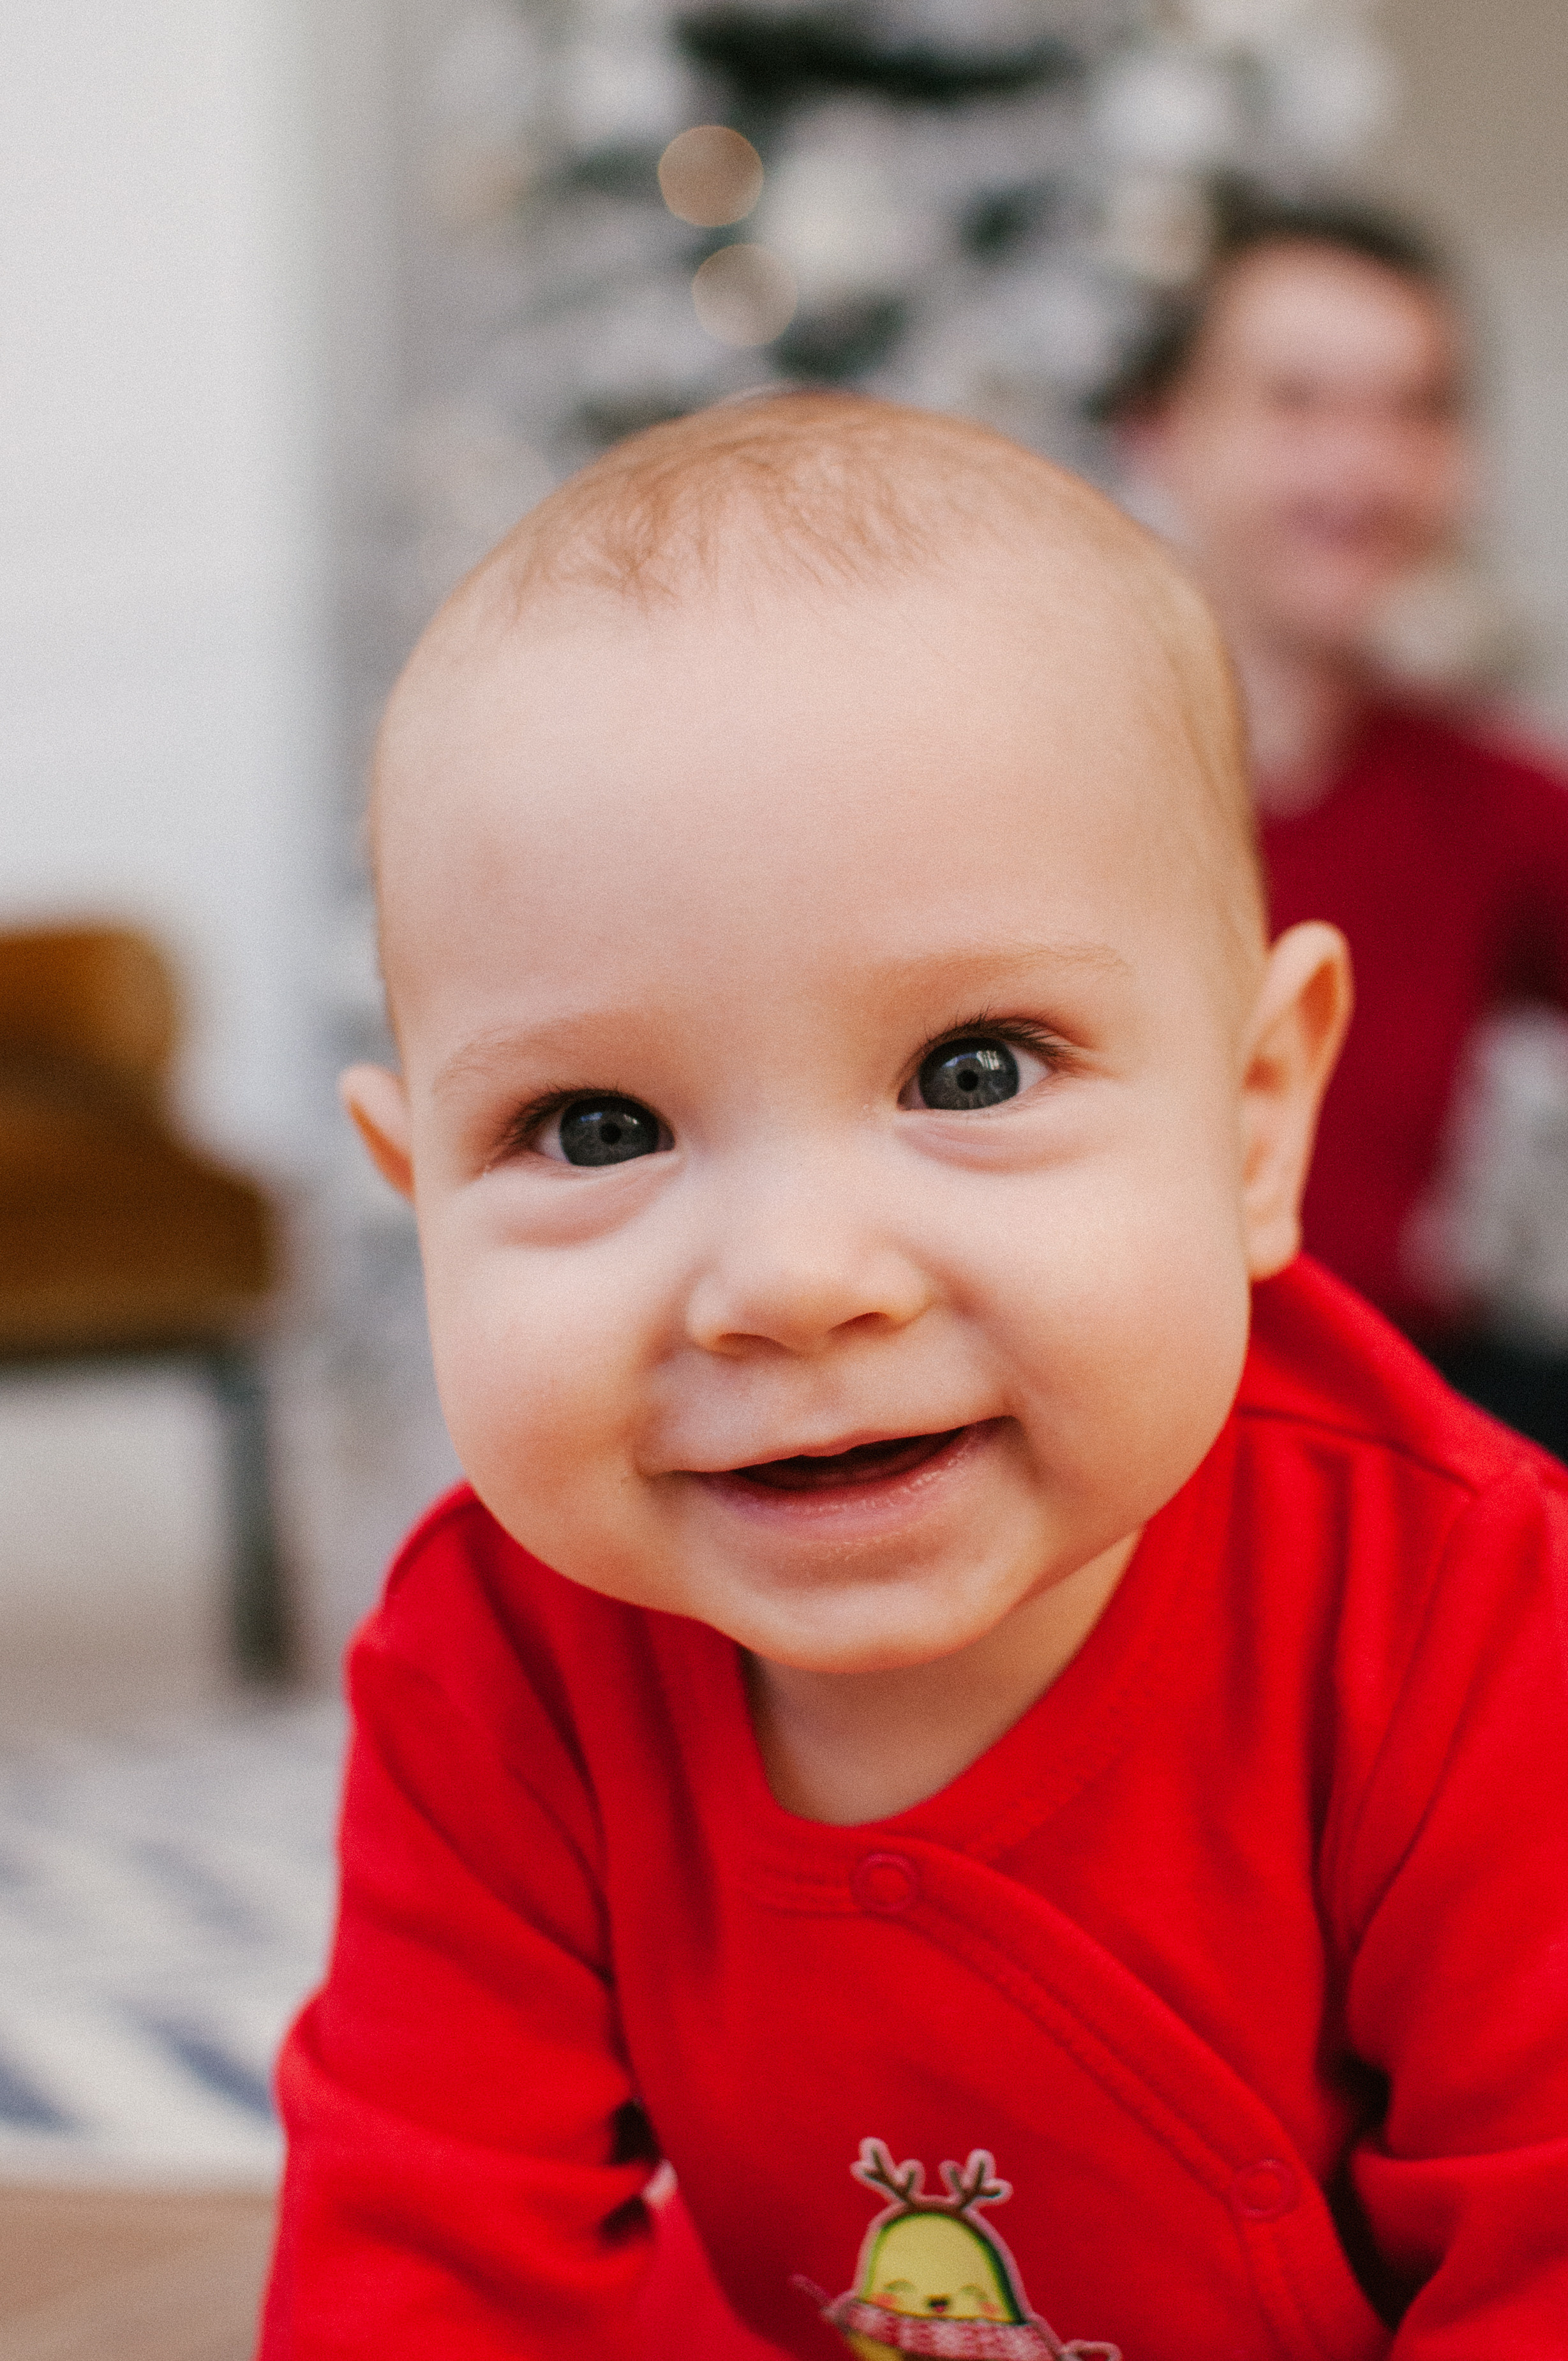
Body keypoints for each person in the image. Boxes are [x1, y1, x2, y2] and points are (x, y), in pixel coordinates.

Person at [259, 393, 1568, 2358]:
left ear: (1253, 1123)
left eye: (972, 1070)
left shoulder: (1463, 1624)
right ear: (418, 1192)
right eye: (596, 1126)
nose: (792, 1282)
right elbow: (421, 2268)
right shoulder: (504, 1663)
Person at [1109, 193, 1568, 1455]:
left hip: (1384, 1403)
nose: (1361, 467)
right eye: (1296, 403)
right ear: (1159, 434)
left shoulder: (1491, 800)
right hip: (1117, 1413)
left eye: (1413, 409)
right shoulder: (1036, 786)